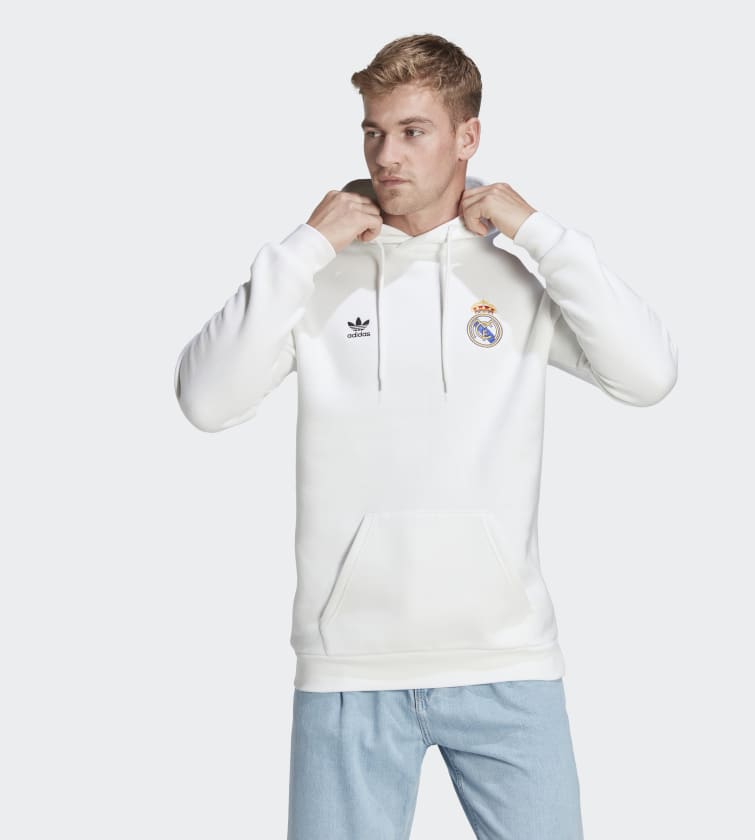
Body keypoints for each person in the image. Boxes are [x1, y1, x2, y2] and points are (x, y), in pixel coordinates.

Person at [174, 32, 678, 840]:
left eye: (413, 131)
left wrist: (539, 233)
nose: (387, 155)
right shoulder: (315, 277)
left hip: (507, 663)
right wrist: (306, 246)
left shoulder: (514, 278)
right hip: (349, 669)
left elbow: (647, 375)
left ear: (467, 137)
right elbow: (206, 400)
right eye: (374, 131)